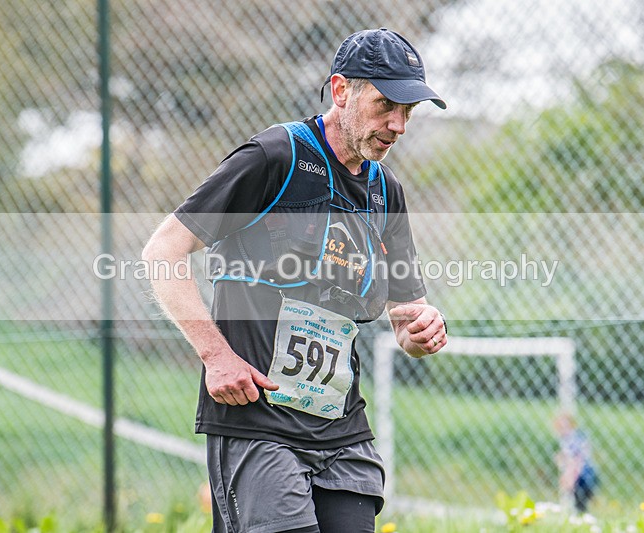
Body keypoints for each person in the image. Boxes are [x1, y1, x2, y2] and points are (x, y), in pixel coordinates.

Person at [142, 28, 447, 533]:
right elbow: (163, 250)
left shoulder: (385, 190)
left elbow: (407, 313)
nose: (398, 125)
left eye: (408, 111)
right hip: (257, 422)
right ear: (341, 90)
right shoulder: (274, 159)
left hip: (341, 429)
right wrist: (216, 357)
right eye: (385, 105)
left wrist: (420, 329)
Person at [554, 412, 599, 514]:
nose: (563, 430)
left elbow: (577, 459)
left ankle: (579, 514)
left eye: (566, 426)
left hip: (583, 474)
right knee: (576, 500)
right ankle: (576, 513)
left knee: (579, 500)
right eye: (560, 427)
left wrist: (569, 476)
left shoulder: (574, 439)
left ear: (572, 426)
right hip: (579, 472)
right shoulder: (567, 439)